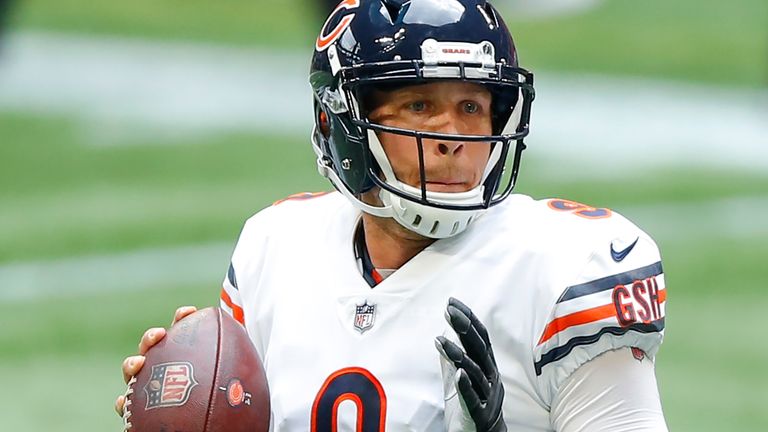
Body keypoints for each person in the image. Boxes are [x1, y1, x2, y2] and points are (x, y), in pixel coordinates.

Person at [116, 0, 669, 430]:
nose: (453, 137)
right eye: (420, 106)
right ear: (345, 125)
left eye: (472, 107)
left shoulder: (563, 271)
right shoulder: (274, 247)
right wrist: (181, 411)